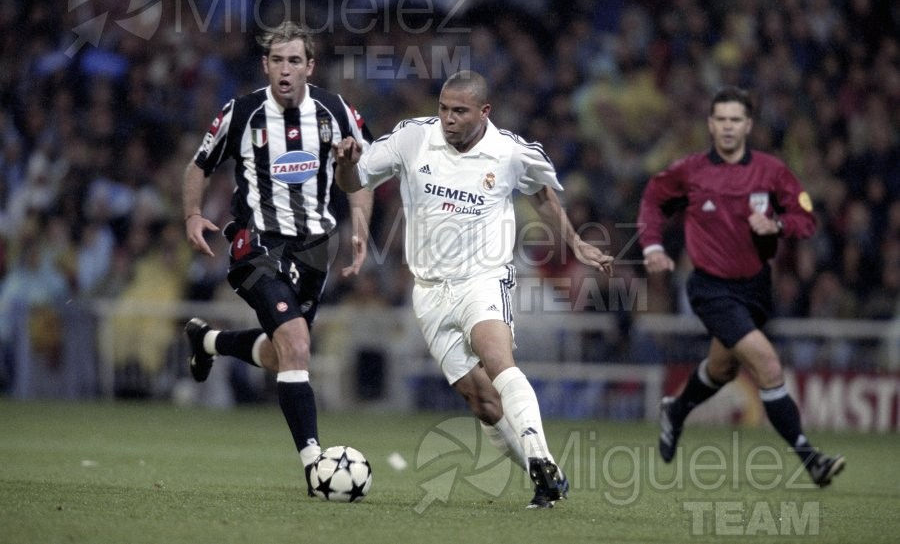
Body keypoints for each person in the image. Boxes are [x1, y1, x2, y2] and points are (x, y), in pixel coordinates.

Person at [333, 70, 614, 508]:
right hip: (429, 290)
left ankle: (540, 454)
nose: (448, 118)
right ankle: (545, 478)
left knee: (497, 359)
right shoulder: (413, 138)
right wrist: (347, 164)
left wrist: (575, 241)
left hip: (483, 278)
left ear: (485, 112)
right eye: (443, 108)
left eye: (460, 111)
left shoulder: (509, 151)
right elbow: (355, 182)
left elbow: (541, 193)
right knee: (481, 400)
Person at [181, 22, 374, 494]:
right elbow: (198, 165)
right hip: (256, 244)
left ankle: (208, 342)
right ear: (265, 65)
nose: (285, 69)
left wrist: (359, 219)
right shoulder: (241, 113)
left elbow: (360, 176)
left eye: (294, 61)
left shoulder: (336, 112)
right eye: (277, 60)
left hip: (314, 250)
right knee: (295, 343)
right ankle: (315, 466)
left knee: (281, 352)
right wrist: (192, 214)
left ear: (310, 66)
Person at [638, 86, 845, 487]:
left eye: (736, 119)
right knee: (767, 364)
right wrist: (652, 246)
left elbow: (806, 219)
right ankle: (811, 458)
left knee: (723, 368)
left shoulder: (772, 171)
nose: (728, 127)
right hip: (710, 288)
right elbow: (652, 199)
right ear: (710, 124)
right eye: (721, 119)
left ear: (748, 125)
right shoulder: (691, 171)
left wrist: (777, 224)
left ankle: (676, 411)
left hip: (756, 288)